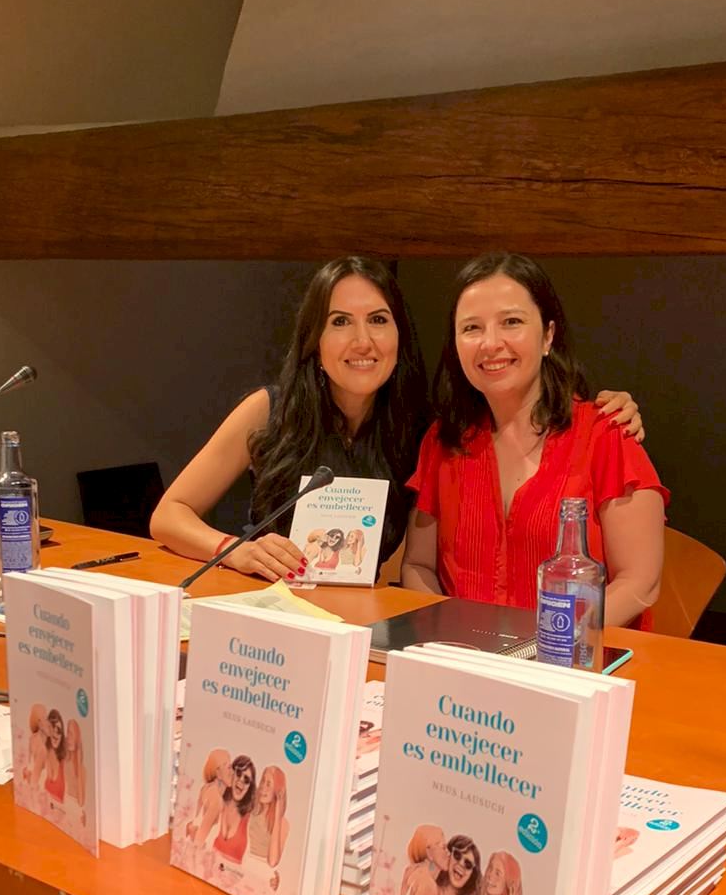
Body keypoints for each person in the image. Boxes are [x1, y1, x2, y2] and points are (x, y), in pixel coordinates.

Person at [148, 257, 645, 583]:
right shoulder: (269, 410)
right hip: (262, 610)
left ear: (399, 335)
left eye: (378, 320)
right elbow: (168, 515)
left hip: (359, 626)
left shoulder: (421, 429)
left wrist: (610, 407)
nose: (362, 341)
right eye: (340, 322)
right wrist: (233, 550)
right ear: (314, 341)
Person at [401, 253, 668, 627]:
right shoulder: (442, 441)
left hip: (573, 655)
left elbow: (641, 582)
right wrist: (446, 637)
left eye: (511, 322)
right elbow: (418, 565)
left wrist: (549, 644)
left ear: (548, 335)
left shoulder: (606, 433)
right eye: (471, 328)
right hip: (463, 655)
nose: (490, 343)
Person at [387, 823, 447, 895]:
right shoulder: (428, 886)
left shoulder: (410, 871)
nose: (448, 852)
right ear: (429, 852)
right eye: (443, 847)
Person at [248, 765, 290, 887]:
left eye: (268, 784)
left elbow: (272, 861)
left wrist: (277, 815)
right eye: (262, 781)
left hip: (264, 878)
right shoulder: (251, 812)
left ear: (278, 791)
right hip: (244, 868)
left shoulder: (283, 824)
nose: (263, 788)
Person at [214, 754, 256, 865]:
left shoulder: (250, 818)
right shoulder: (218, 802)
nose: (241, 780)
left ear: (250, 787)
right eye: (238, 773)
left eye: (246, 779)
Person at [188, 748, 231, 841]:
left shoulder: (206, 789)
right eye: (228, 767)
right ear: (218, 772)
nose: (232, 772)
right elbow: (200, 838)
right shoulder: (216, 799)